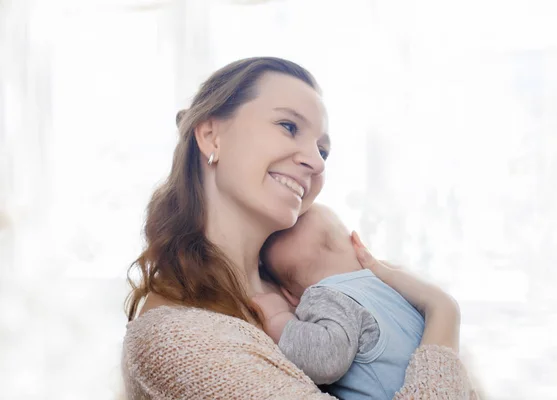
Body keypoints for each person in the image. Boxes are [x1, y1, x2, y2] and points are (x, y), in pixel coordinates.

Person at [122, 57, 477, 399]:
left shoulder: (307, 293)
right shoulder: (178, 340)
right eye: (288, 127)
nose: (315, 162)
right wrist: (443, 312)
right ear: (212, 135)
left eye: (323, 151)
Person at [257, 203, 425, 399]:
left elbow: (327, 360)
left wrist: (278, 320)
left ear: (289, 295)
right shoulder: (389, 286)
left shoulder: (326, 295)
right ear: (357, 242)